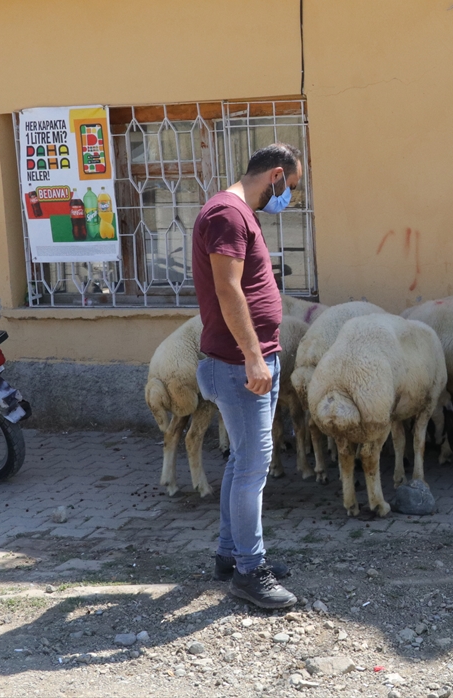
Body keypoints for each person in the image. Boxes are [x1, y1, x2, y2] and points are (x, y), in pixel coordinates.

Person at [193, 143, 302, 609]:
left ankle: (230, 555)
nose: (289, 196)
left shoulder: (236, 213)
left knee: (242, 462)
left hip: (249, 361)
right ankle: (248, 571)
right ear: (275, 175)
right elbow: (227, 288)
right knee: (253, 467)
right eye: (290, 187)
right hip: (240, 365)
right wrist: (253, 357)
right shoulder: (228, 215)